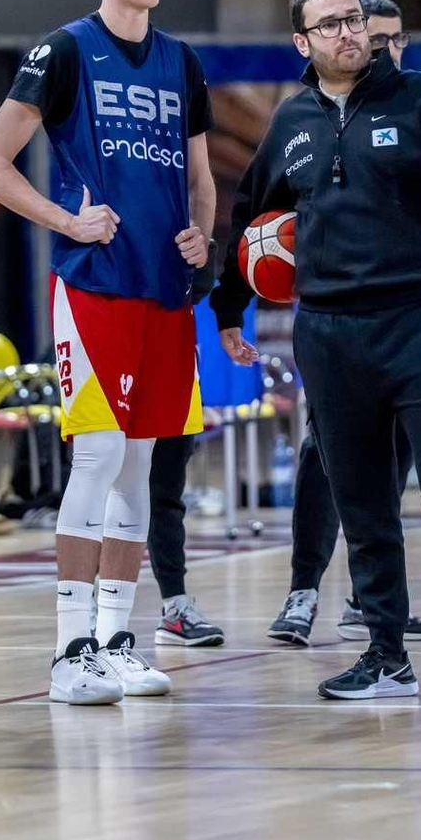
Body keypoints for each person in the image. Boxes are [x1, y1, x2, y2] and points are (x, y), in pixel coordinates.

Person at [212, 0, 421, 702]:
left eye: (354, 19)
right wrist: (229, 311)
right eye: (331, 24)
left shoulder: (420, 97)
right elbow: (249, 221)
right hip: (327, 332)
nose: (349, 32)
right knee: (362, 500)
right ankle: (385, 654)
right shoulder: (291, 124)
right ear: (303, 42)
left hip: (419, 320)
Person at [0, 0, 216, 704]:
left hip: (162, 287)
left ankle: (115, 637)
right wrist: (66, 219)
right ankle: (69, 648)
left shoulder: (181, 62)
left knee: (142, 461)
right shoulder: (66, 49)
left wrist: (202, 235)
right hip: (96, 282)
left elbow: (201, 174)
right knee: (100, 455)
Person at [265, 0, 421, 648]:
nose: (387, 48)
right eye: (377, 35)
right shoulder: (309, 121)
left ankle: (364, 602)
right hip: (339, 320)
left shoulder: (420, 107)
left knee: (396, 456)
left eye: (398, 38)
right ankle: (301, 592)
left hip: (409, 317)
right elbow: (273, 213)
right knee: (326, 451)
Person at [148, 244, 226, 648]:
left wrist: (202, 243)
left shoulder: (183, 186)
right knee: (103, 481)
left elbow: (201, 186)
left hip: (173, 337)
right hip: (105, 324)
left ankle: (175, 607)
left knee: (166, 487)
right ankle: (86, 612)